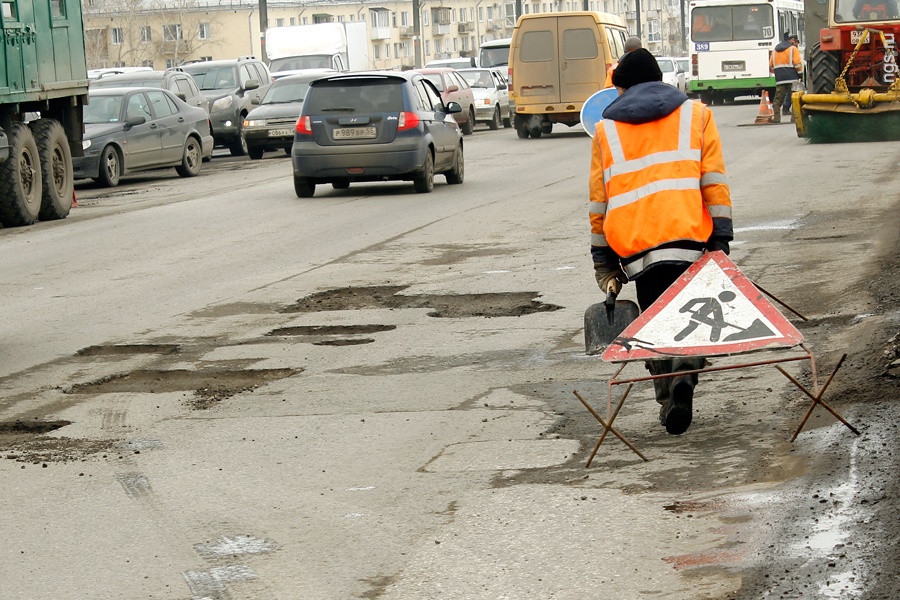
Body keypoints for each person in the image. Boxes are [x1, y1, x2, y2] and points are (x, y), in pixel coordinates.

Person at [589, 48, 733, 435]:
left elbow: (599, 200)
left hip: (638, 249)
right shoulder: (698, 115)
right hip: (690, 240)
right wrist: (720, 238)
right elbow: (713, 181)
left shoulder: (606, 131)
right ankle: (685, 374)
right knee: (695, 315)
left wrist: (602, 258)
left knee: (655, 323)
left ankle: (668, 396)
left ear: (623, 87)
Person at [770, 34, 802, 121]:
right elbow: (797, 63)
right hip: (792, 77)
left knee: (778, 98)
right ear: (791, 40)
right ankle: (794, 118)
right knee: (794, 97)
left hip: (780, 78)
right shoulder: (793, 49)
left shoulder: (775, 50)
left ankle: (776, 118)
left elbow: (771, 65)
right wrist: (800, 74)